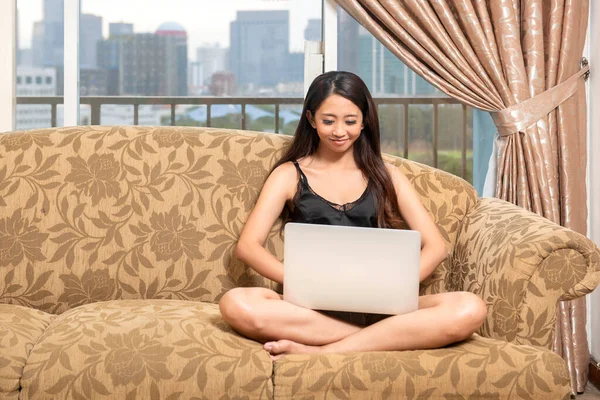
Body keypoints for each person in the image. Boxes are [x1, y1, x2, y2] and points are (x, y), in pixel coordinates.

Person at [219, 71, 487, 360]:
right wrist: (301, 282)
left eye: (350, 121)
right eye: (328, 120)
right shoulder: (288, 175)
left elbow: (436, 247)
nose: (339, 131)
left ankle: (321, 350)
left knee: (470, 308)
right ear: (311, 119)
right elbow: (247, 247)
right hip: (310, 309)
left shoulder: (388, 176)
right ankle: (389, 335)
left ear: (364, 121)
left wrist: (395, 288)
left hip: (382, 305)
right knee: (236, 304)